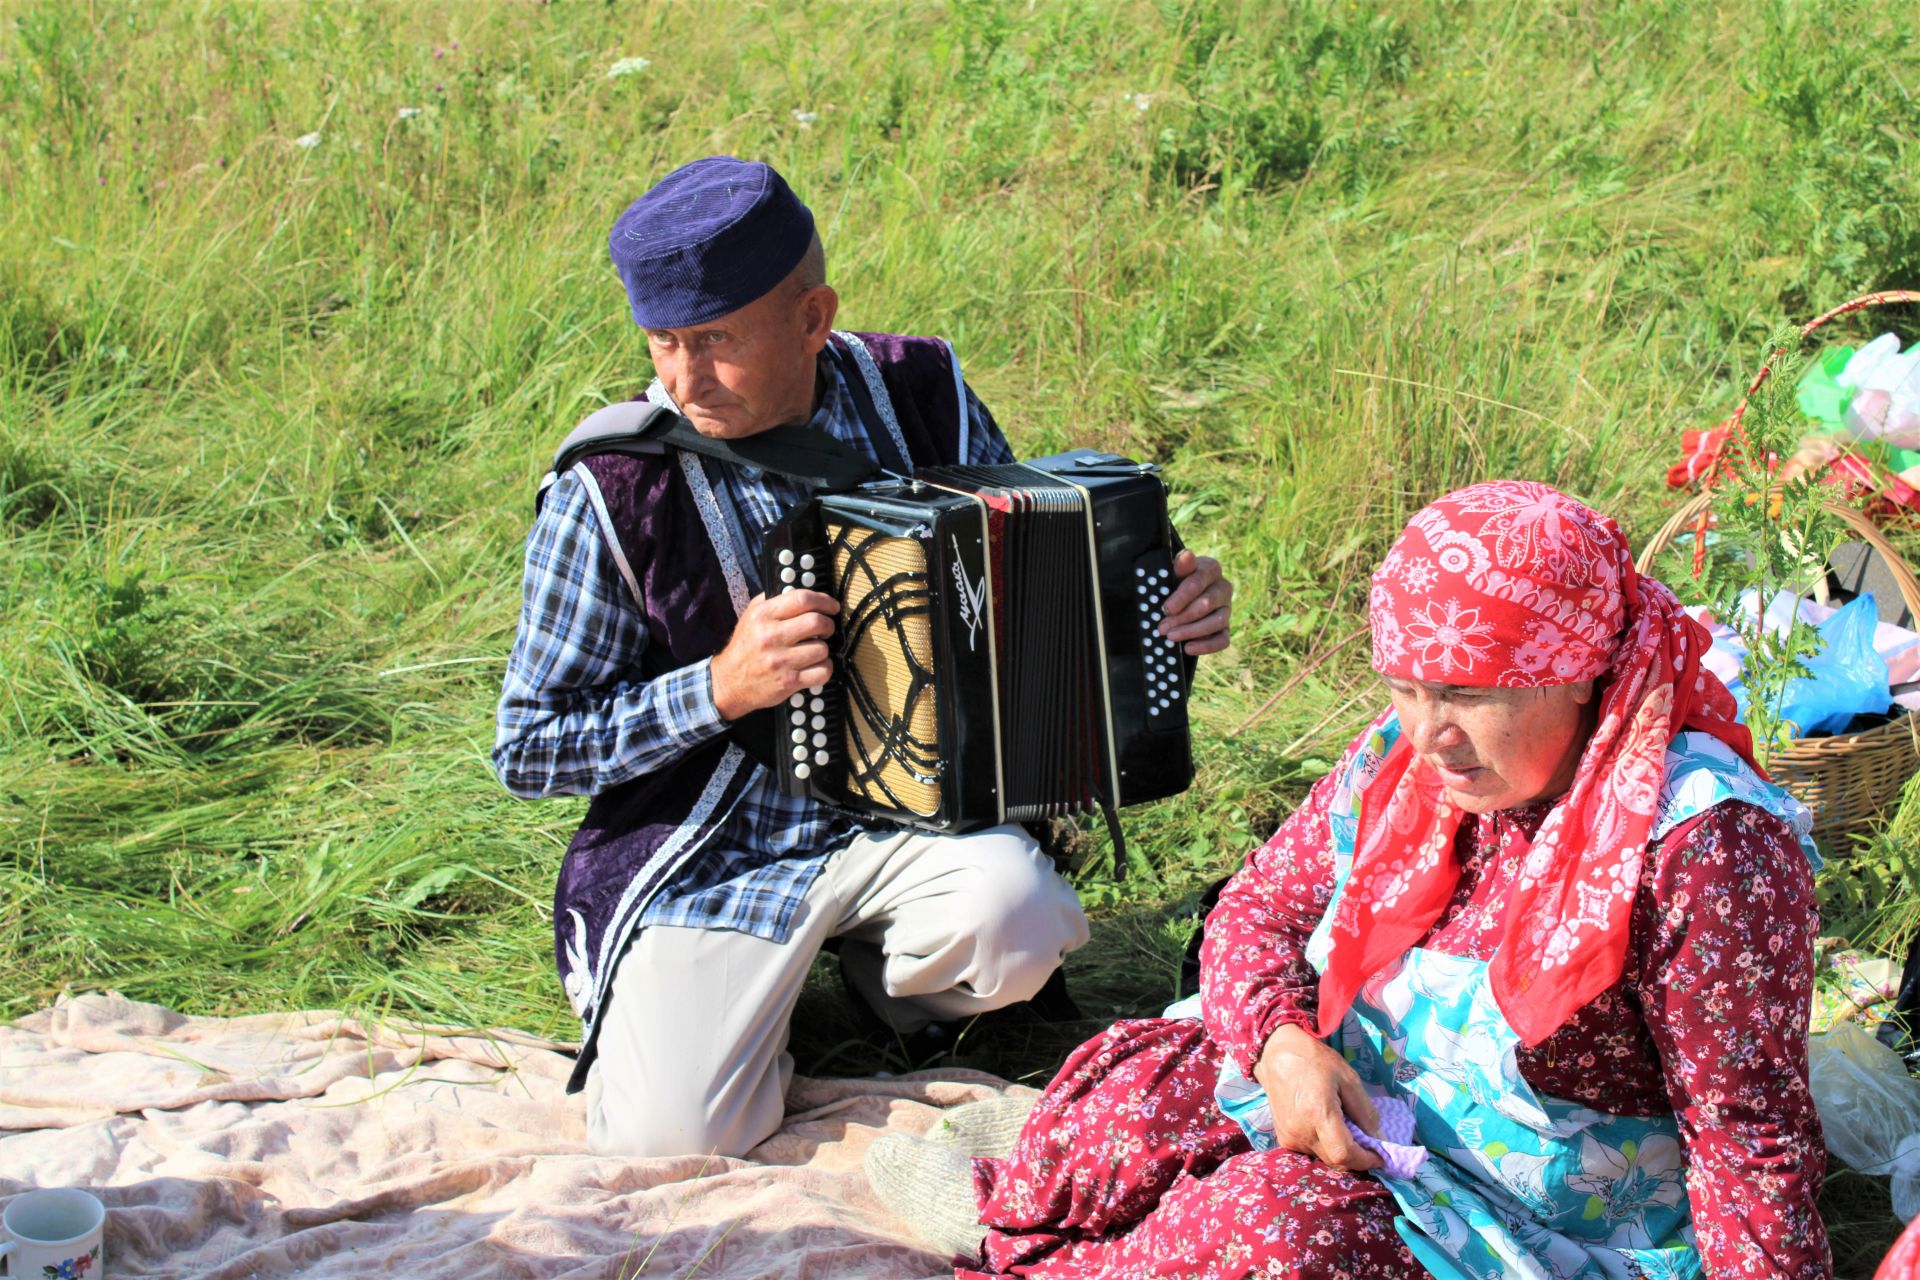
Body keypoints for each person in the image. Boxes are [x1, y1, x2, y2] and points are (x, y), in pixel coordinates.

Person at [880, 480, 1831, 1278]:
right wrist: (1284, 1050)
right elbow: (1255, 913)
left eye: (1464, 693)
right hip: (1371, 1105)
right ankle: (1039, 1215)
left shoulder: (1703, 849)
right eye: (1407, 689)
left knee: (1274, 1225)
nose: (1429, 734)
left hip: (1538, 1226)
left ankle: (1077, 1250)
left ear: (1579, 673)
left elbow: (1747, 1138)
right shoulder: (1403, 761)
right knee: (1140, 1088)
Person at [491, 156, 1235, 1160]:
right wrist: (716, 687)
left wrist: (1158, 617)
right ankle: (724, 1000)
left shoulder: (918, 394)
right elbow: (530, 745)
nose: (683, 376)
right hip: (710, 858)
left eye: (715, 339)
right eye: (662, 342)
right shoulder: (615, 484)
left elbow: (1028, 579)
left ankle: (888, 992)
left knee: (1017, 917)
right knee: (675, 1142)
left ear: (812, 317)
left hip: (914, 826)